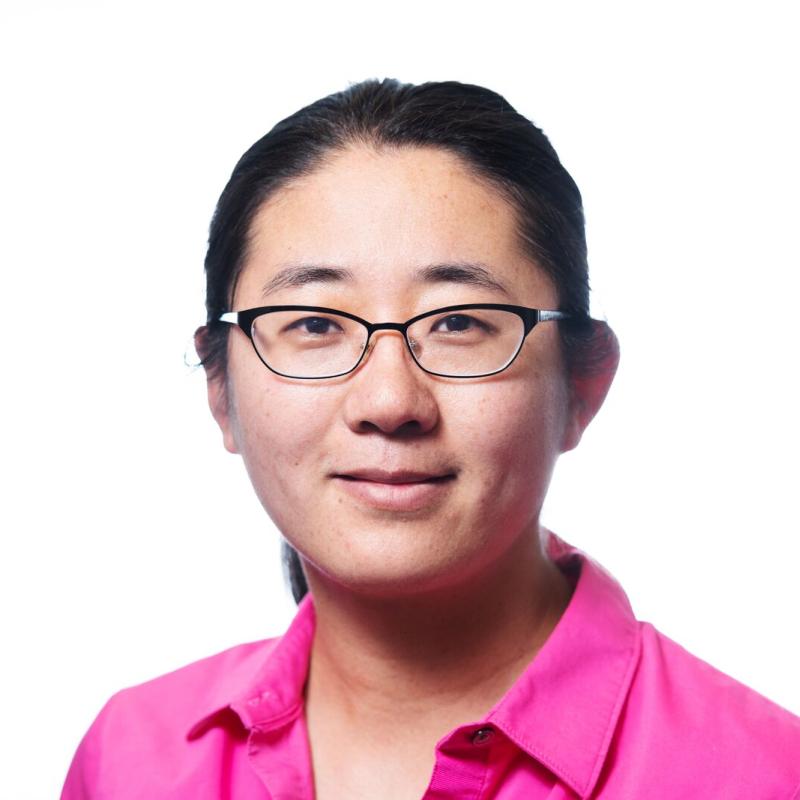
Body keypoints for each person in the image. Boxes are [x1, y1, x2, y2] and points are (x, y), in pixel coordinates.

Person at [61, 79, 800, 799]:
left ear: (583, 384)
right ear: (221, 390)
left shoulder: (762, 775)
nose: (390, 402)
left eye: (458, 322)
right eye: (315, 323)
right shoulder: (131, 760)